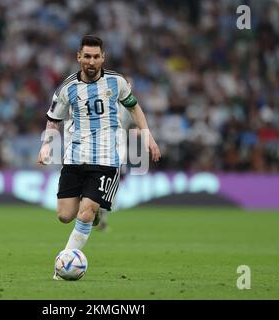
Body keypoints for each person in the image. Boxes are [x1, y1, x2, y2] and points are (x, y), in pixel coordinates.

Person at [37, 35, 161, 280]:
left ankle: (64, 266)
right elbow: (54, 119)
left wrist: (147, 136)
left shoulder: (117, 83)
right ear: (79, 57)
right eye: (87, 56)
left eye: (96, 57)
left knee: (85, 211)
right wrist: (46, 146)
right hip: (74, 159)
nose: (91, 61)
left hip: (106, 160)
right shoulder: (67, 88)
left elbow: (134, 107)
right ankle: (92, 214)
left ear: (103, 57)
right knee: (64, 215)